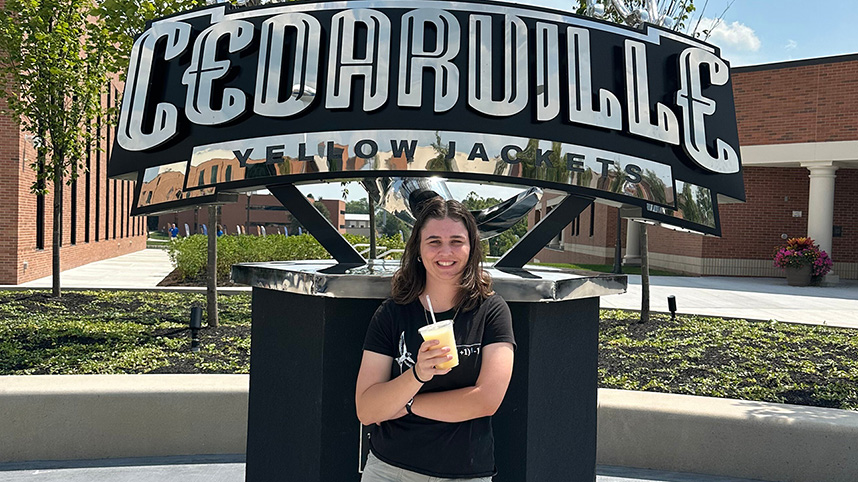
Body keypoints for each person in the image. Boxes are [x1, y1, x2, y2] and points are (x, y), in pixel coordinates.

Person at [355, 197, 515, 481]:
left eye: (456, 241)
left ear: (471, 248)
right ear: (418, 248)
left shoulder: (491, 311)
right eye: (433, 241)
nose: (446, 251)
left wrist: (406, 405)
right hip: (391, 470)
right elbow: (367, 410)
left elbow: (486, 401)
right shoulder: (393, 313)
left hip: (465, 472)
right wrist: (417, 374)